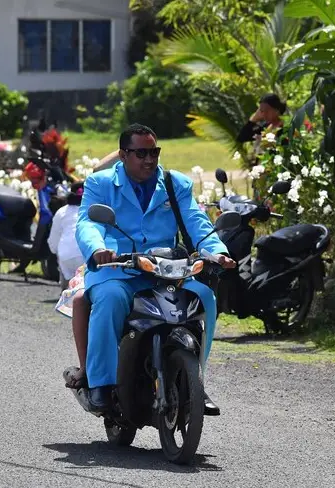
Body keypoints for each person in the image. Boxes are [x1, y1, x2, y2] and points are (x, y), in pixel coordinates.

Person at [74, 123, 236, 415]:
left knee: (204, 297)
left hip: (167, 271)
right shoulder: (100, 183)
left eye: (154, 152)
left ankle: (194, 383)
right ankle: (100, 384)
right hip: (117, 268)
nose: (149, 159)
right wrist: (98, 249)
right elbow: (88, 222)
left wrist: (218, 253)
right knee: (110, 298)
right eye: (141, 153)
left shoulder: (175, 184)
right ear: (123, 155)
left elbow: (196, 222)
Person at [47, 181, 85, 289]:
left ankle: (65, 299)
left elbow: (54, 239)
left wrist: (55, 251)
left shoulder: (61, 211)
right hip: (86, 255)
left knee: (67, 289)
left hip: (66, 255)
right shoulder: (91, 210)